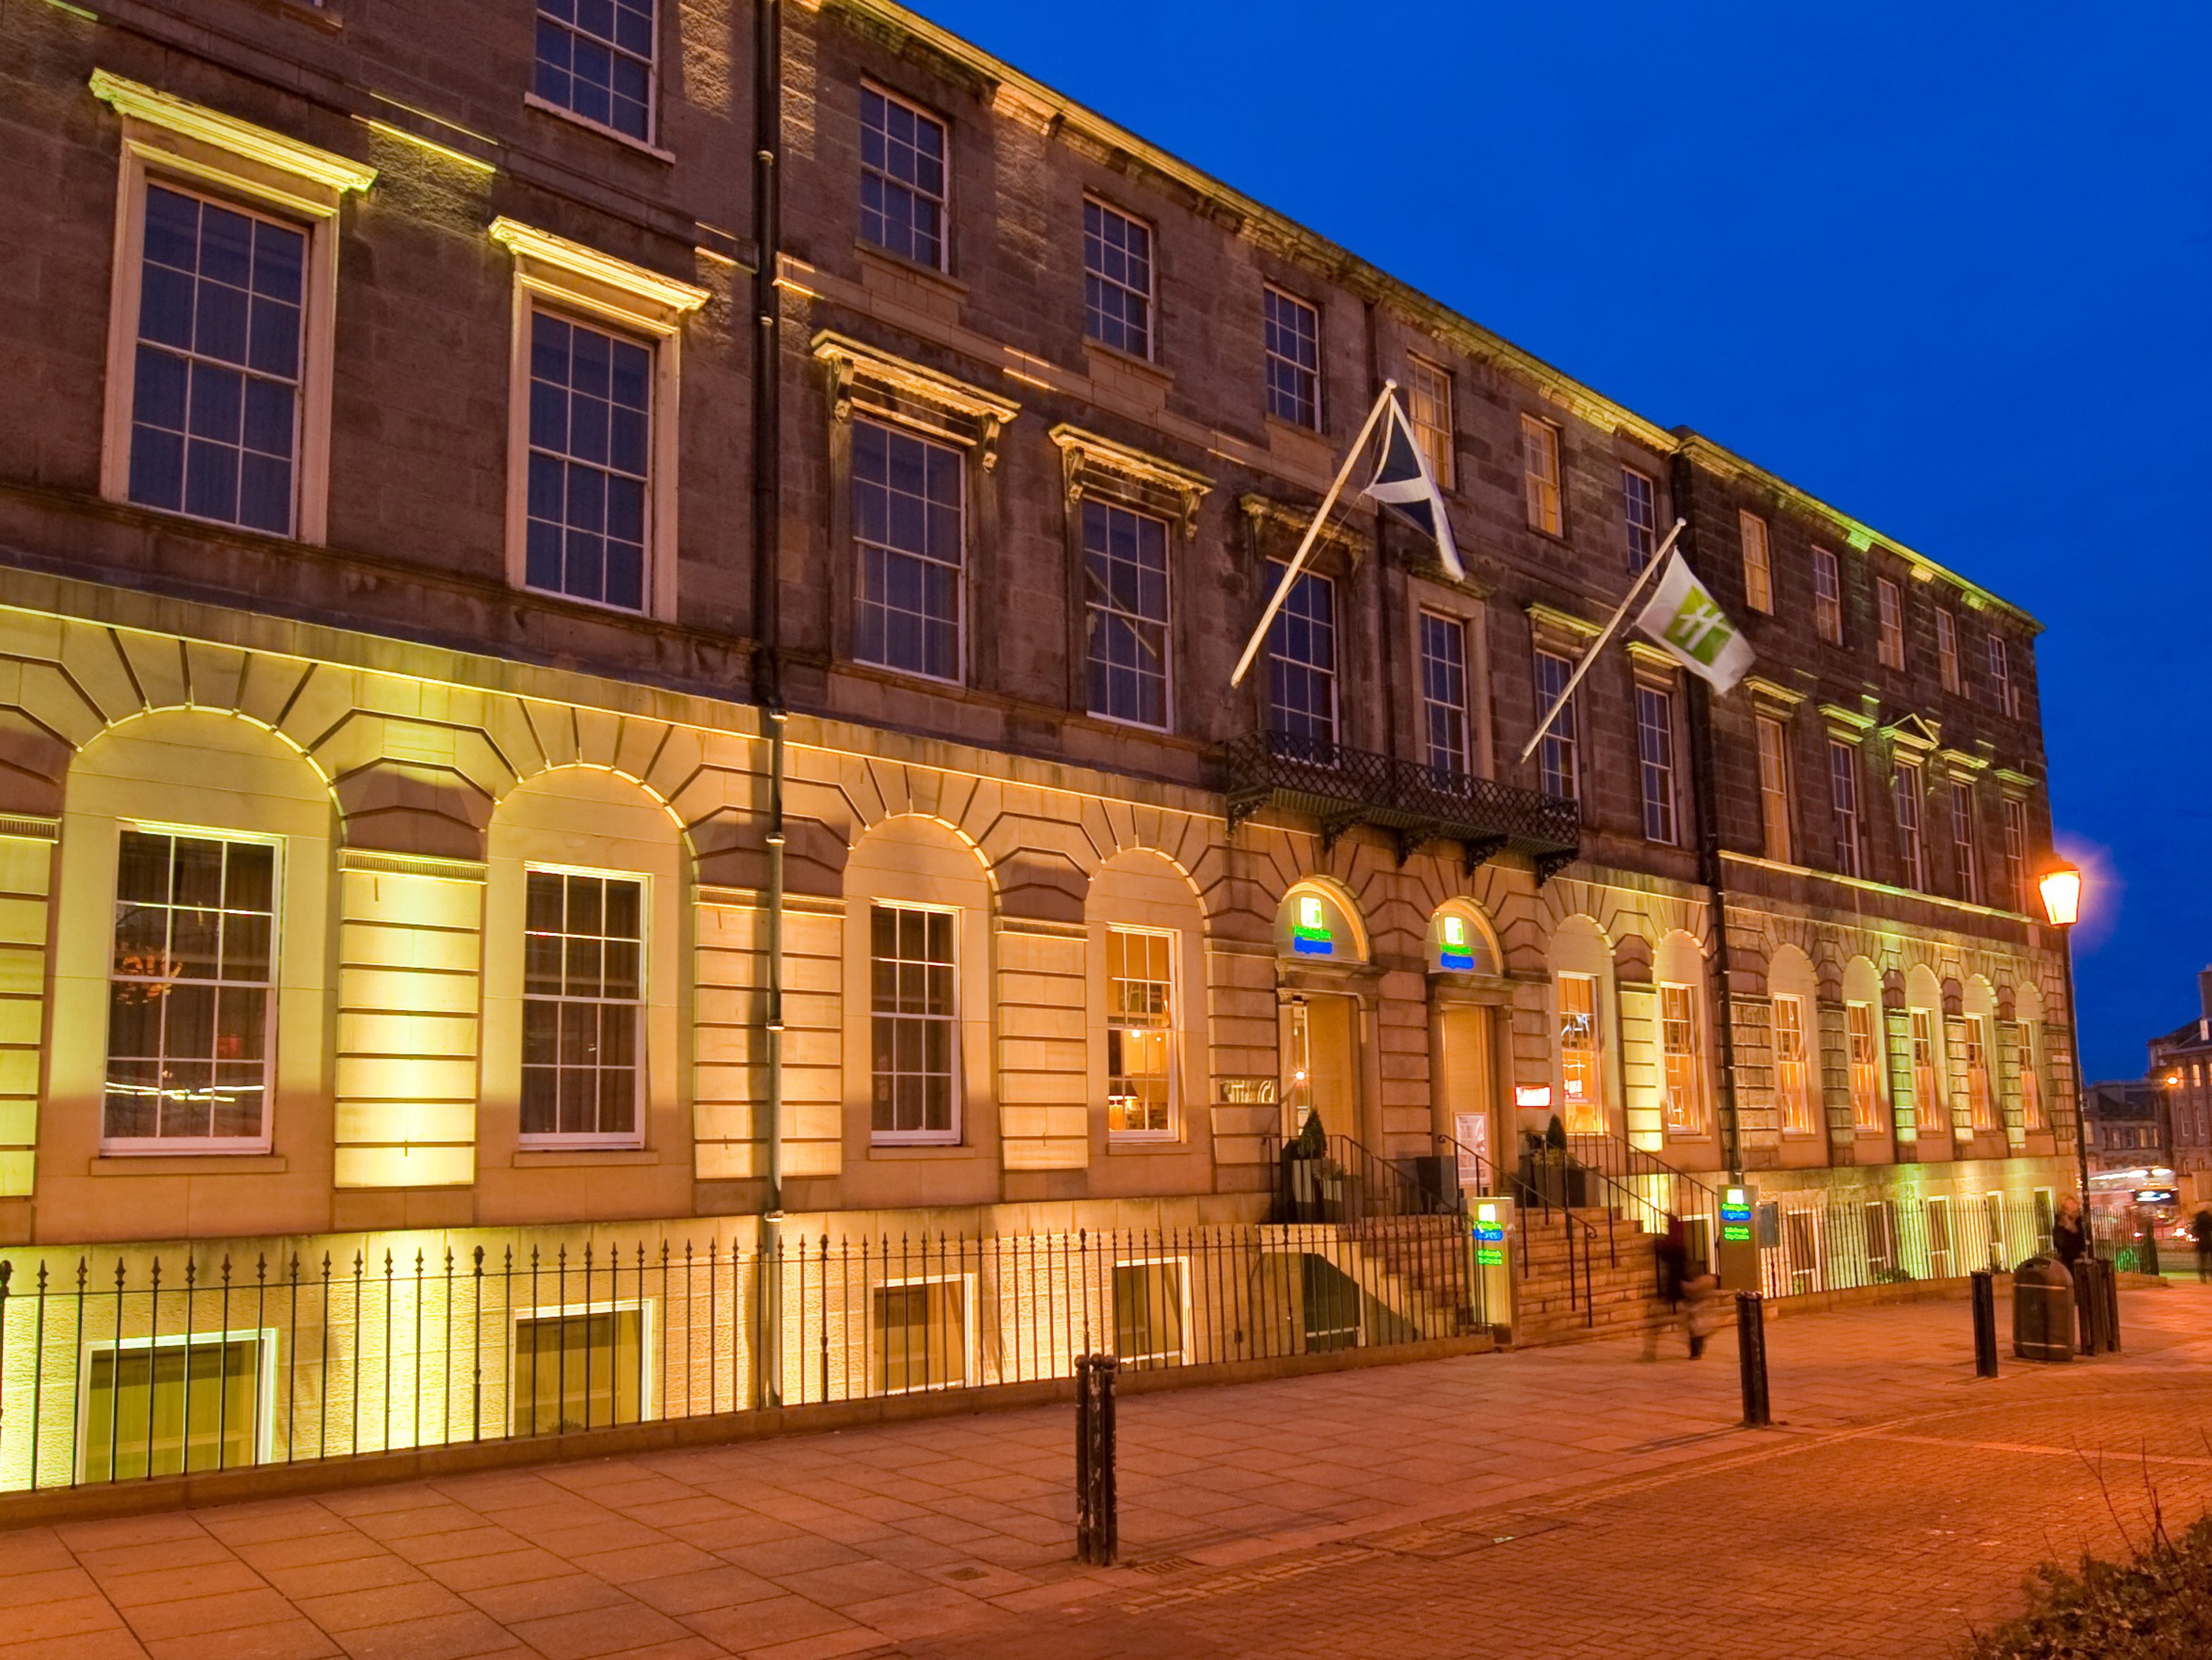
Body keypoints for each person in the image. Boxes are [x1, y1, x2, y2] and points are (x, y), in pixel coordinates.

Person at [1643, 1215, 1689, 1360]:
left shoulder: (1674, 1244)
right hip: (1678, 1288)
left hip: (1674, 1288)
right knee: (1684, 1323)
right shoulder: (1678, 1242)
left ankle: (1650, 1351)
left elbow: (1667, 1257)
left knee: (1658, 1322)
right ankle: (1695, 1348)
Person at [2053, 1193, 2088, 1272]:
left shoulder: (2078, 1218)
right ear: (2065, 1206)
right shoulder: (2061, 1218)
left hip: (2077, 1251)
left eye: (2073, 1203)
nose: (2072, 1205)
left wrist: (2083, 1250)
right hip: (2066, 1252)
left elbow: (2081, 1235)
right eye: (2069, 1203)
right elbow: (2058, 1236)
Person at [2190, 1207, 2212, 1283]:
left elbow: (2193, 1232)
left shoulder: (2198, 1225)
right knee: (2210, 1262)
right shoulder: (2209, 1222)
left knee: (2201, 1262)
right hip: (2210, 1243)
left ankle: (2203, 1279)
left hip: (2201, 1243)